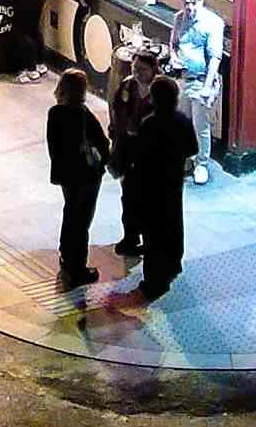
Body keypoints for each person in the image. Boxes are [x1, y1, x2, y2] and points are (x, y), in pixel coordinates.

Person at [113, 73, 199, 302]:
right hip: (174, 183)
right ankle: (173, 263)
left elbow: (140, 154)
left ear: (154, 98)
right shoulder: (182, 121)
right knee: (174, 223)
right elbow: (192, 149)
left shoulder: (149, 124)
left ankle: (154, 281)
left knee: (153, 232)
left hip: (152, 185)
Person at [47, 69, 108, 295]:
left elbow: (53, 146)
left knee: (70, 211)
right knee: (82, 220)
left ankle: (65, 254)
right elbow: (101, 142)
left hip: (66, 175)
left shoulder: (54, 113)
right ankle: (78, 268)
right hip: (86, 175)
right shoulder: (83, 114)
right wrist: (106, 164)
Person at [107, 39, 160, 262]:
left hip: (149, 158)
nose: (136, 73)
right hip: (127, 153)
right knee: (128, 198)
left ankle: (151, 241)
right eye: (134, 68)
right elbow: (116, 111)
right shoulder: (127, 86)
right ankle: (130, 237)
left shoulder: (160, 92)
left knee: (149, 202)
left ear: (153, 69)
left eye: (141, 69)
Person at [170, 0, 222, 175]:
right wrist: (174, 57)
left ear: (201, 1)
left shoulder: (212, 23)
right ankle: (186, 157)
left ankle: (202, 163)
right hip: (183, 77)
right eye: (186, 3)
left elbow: (215, 57)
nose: (189, 7)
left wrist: (207, 87)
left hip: (201, 80)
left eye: (193, 3)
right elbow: (173, 44)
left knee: (201, 125)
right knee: (181, 122)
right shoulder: (179, 19)